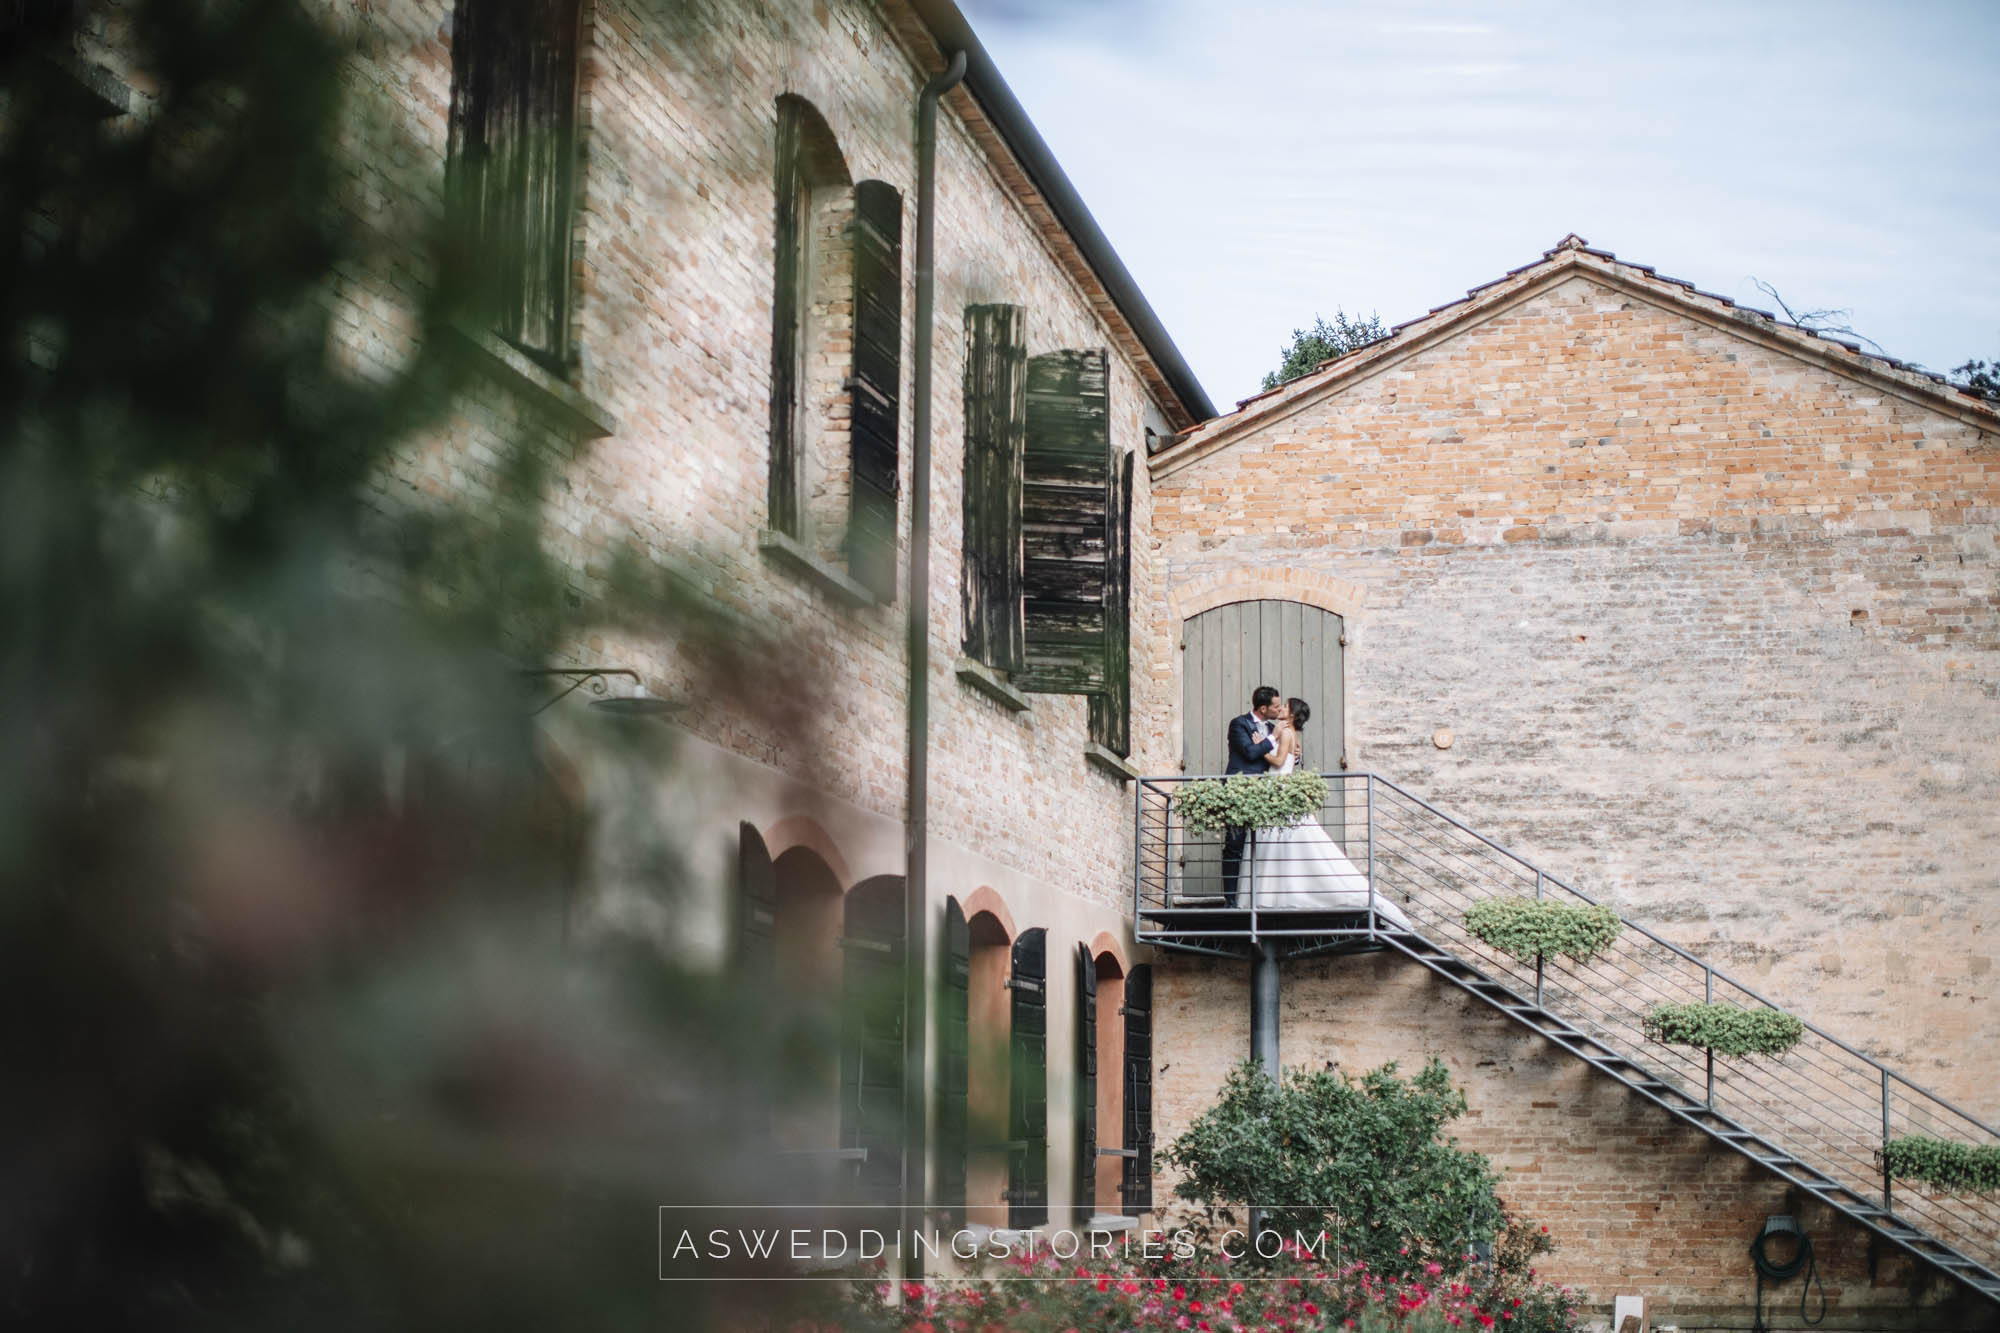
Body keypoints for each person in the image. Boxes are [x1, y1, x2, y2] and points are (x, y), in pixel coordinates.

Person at [1247, 697, 1414, 929]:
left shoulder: (1285, 733)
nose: (1281, 709)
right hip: (1279, 788)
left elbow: (1276, 761)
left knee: (1281, 841)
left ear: (1292, 714)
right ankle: (1284, 893)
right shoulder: (1292, 734)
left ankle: (1280, 894)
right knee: (1283, 842)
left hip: (1278, 788)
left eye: (1285, 706)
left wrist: (1260, 745)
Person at [1220, 685, 1288, 907]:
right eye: (1276, 706)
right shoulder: (1239, 724)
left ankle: (1260, 897)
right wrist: (1271, 739)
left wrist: (1293, 756)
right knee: (1235, 843)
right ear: (1262, 708)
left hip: (1265, 793)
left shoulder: (1270, 727)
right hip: (1239, 790)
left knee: (1264, 845)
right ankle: (1230, 900)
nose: (1279, 710)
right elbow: (1249, 753)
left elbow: (1277, 757)